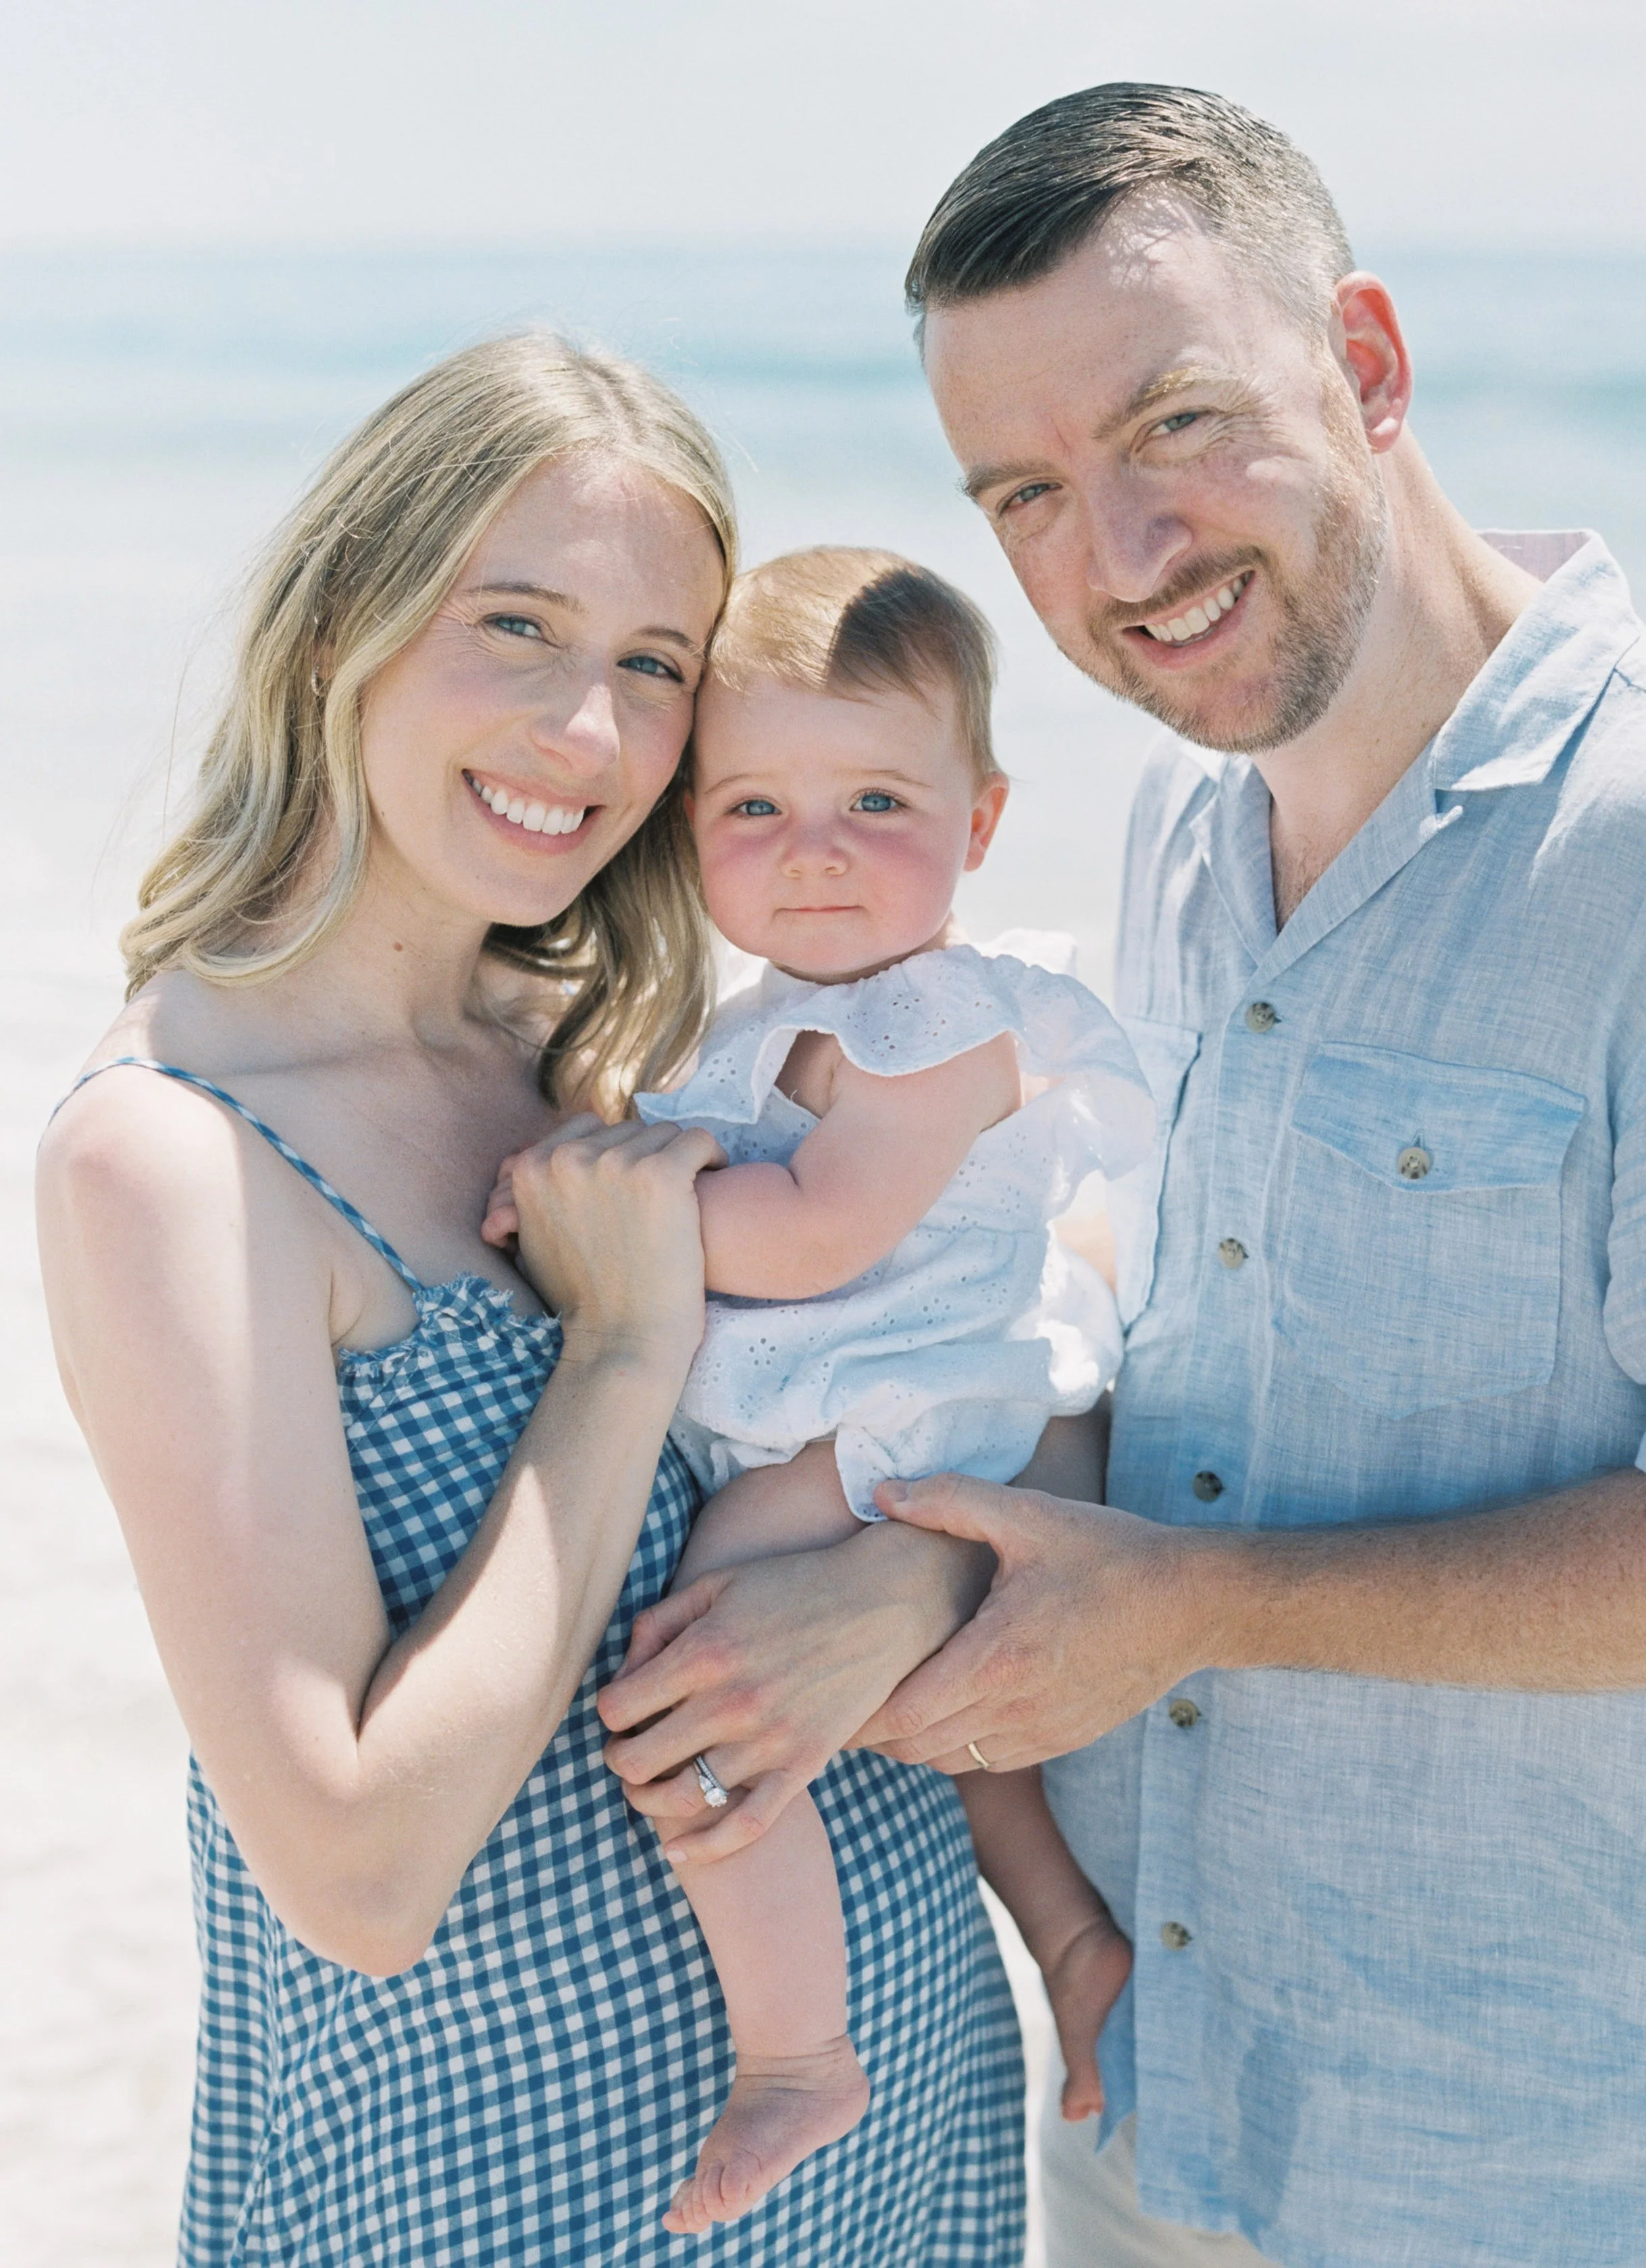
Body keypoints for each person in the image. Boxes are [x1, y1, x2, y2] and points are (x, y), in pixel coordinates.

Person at [597, 83, 1646, 2268]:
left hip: (1519, 2158)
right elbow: (1148, 1370)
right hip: (1139, 2092)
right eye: (1025, 491)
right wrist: (926, 1562)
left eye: (1175, 423)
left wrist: (1197, 1608)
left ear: (1364, 366)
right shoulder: (1185, 835)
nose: (1119, 553)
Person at [34, 334, 1025, 2266]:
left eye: (655, 666)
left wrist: (900, 1586)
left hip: (898, 2115)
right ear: (346, 624)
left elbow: (1003, 1381)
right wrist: (629, 1341)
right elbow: (359, 1865)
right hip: (525, 2195)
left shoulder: (616, 1059)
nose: (588, 730)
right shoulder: (170, 1155)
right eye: (519, 625)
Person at [488, 543, 1143, 2232]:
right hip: (872, 1403)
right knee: (966, 1731)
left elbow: (809, 1231)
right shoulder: (776, 1014)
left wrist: (603, 1197)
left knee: (705, 1648)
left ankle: (795, 2048)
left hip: (910, 1410)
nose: (817, 854)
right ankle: (1066, 1929)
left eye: (872, 799)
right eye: (754, 811)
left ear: (980, 821)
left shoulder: (935, 1021)